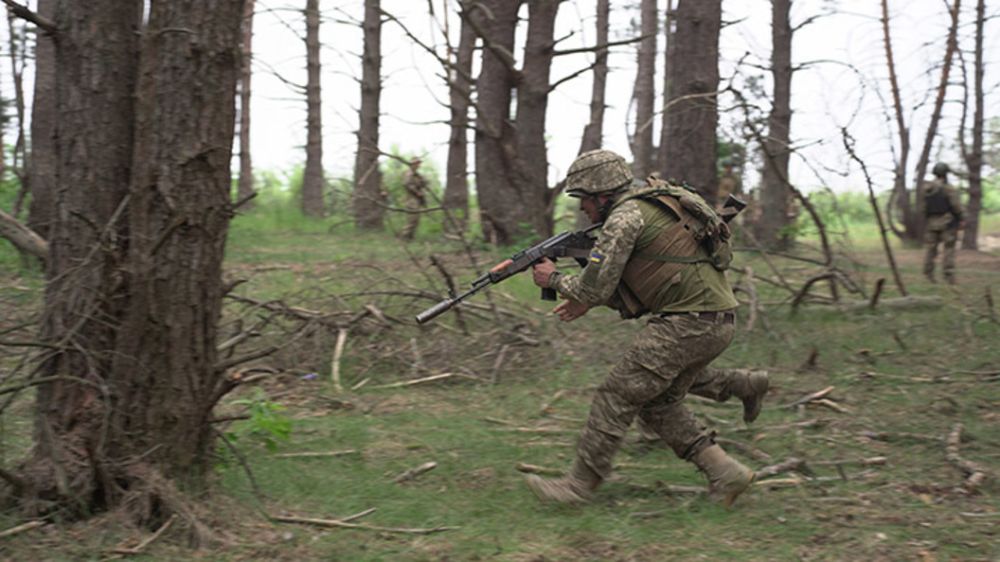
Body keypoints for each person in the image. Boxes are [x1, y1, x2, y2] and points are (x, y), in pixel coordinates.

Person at [525, 149, 759, 506]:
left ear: (602, 194)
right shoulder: (655, 201)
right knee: (656, 403)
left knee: (617, 393)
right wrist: (586, 295)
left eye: (585, 200)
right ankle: (727, 473)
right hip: (715, 318)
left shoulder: (624, 217)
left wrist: (552, 278)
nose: (583, 209)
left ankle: (577, 487)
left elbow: (594, 288)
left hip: (688, 322)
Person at [923, 163, 964, 284]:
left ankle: (928, 274)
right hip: (947, 222)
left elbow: (923, 207)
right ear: (945, 174)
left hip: (931, 223)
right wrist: (961, 218)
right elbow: (956, 206)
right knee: (949, 249)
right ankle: (948, 276)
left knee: (931, 249)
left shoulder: (927, 188)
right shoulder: (948, 188)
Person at [399, 157, 427, 241]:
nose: (418, 165)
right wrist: (417, 192)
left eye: (419, 163)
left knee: (416, 219)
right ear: (412, 164)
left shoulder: (417, 175)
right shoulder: (409, 174)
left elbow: (423, 183)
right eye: (416, 163)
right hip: (411, 200)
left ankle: (410, 237)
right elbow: (407, 185)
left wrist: (423, 182)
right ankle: (404, 237)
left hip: (417, 200)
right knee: (412, 219)